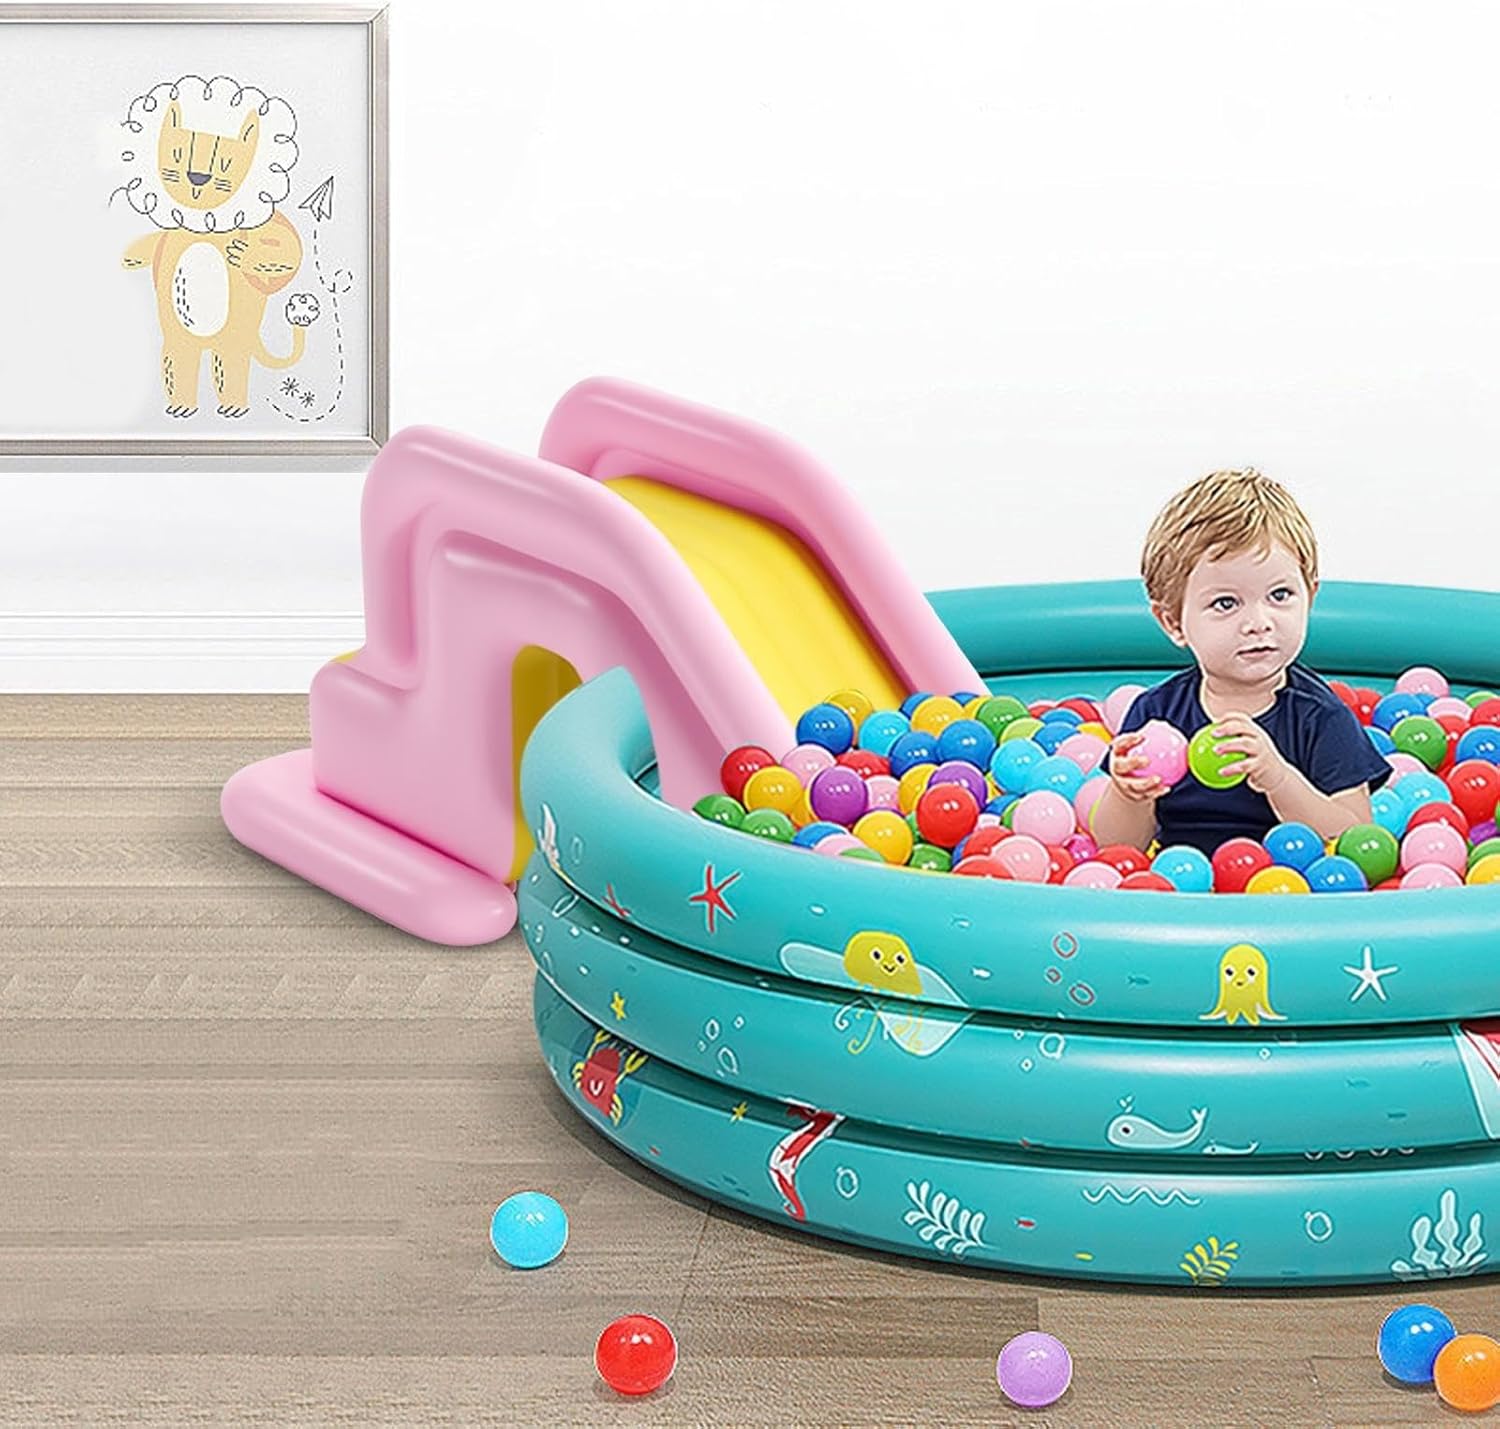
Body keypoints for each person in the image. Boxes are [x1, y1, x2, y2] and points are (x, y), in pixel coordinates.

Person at [1091, 468, 1391, 857]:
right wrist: (1128, 792)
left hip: (1289, 882)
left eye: (1279, 595)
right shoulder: (1156, 715)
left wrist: (1277, 778)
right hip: (1181, 882)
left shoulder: (1321, 717)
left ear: (1309, 598)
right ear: (1172, 622)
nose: (1258, 622)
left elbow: (1357, 838)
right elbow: (1118, 847)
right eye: (1226, 603)